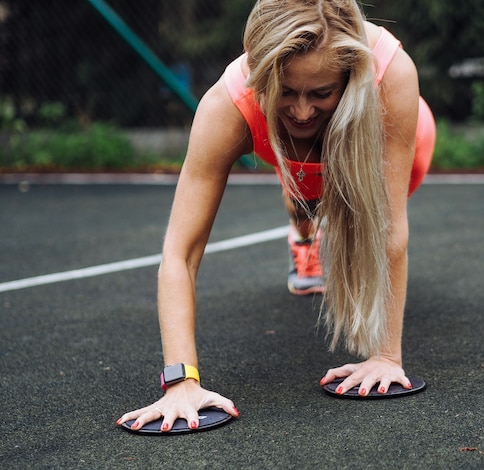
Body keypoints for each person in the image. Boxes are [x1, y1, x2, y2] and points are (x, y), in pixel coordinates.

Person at [117, 0, 436, 432]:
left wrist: (386, 357)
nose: (303, 111)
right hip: (294, 161)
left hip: (389, 135)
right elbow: (180, 252)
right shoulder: (226, 105)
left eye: (321, 92)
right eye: (287, 90)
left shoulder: (390, 73)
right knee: (304, 189)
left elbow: (389, 229)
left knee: (356, 201)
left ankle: (312, 202)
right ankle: (304, 233)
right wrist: (181, 382)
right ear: (261, 75)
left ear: (346, 76)